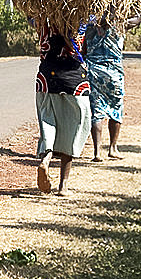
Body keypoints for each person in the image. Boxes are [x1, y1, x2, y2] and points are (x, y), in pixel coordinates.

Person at [84, 2, 141, 161]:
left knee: (97, 110)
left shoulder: (89, 25)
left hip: (94, 71)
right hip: (114, 73)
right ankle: (113, 148)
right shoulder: (120, 24)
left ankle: (97, 151)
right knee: (116, 108)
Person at [33, 18, 91, 196]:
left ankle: (47, 158)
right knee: (73, 127)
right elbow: (84, 48)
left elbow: (28, 12)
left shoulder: (42, 20)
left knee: (47, 120)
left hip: (46, 77)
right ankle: (63, 186)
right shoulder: (80, 21)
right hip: (74, 78)